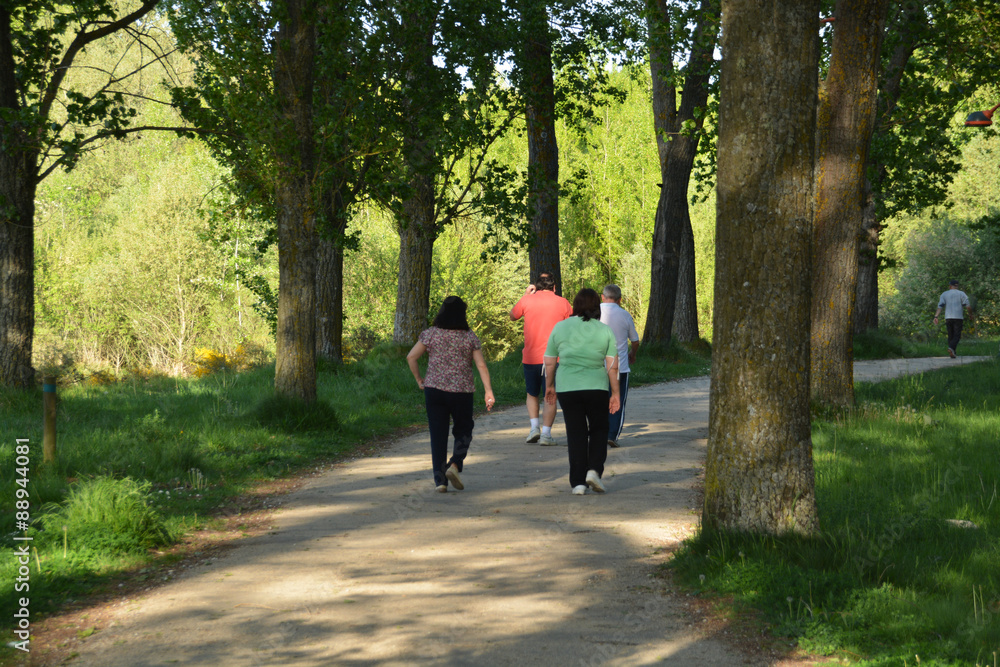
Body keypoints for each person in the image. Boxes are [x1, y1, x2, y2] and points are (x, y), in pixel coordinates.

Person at [407, 296, 495, 493]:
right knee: (464, 430)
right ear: (462, 314)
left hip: (434, 391)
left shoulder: (430, 334)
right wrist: (488, 391)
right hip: (461, 392)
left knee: (437, 435)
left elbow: (411, 357)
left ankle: (440, 482)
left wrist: (419, 380)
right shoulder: (469, 337)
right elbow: (481, 365)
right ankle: (454, 465)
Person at [543, 288, 620, 495]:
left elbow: (549, 363)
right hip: (596, 387)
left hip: (568, 388)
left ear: (575, 306)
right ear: (597, 307)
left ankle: (578, 483)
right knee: (599, 429)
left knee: (575, 433)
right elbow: (613, 366)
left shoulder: (560, 327)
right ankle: (594, 470)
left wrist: (550, 386)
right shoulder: (604, 330)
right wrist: (616, 393)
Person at [509, 271, 572, 445]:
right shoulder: (563, 303)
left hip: (530, 357)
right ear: (554, 287)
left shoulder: (527, 300)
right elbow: (571, 325)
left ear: (536, 286)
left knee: (531, 393)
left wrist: (526, 295)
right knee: (550, 394)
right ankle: (546, 434)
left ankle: (533, 428)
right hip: (555, 358)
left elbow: (512, 316)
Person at [599, 284, 639, 448]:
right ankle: (612, 435)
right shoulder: (624, 315)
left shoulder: (594, 312)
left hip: (597, 366)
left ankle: (598, 433)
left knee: (599, 401)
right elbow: (635, 340)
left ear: (602, 297)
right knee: (618, 400)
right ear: (620, 299)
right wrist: (632, 354)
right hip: (620, 366)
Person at [933, 280, 972, 358]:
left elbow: (940, 306)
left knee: (951, 335)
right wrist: (970, 314)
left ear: (950, 286)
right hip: (958, 317)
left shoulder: (944, 294)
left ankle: (953, 352)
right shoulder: (961, 293)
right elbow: (968, 305)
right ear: (957, 286)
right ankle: (951, 348)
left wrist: (936, 316)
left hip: (948, 317)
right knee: (957, 335)